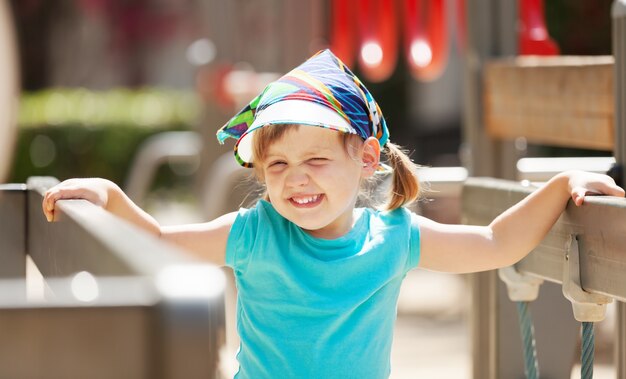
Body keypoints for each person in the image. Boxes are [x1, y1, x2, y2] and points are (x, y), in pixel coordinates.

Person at [42, 49, 624, 379]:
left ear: (366, 159)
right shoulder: (252, 234)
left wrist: (563, 184)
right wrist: (110, 195)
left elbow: (498, 242)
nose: (297, 177)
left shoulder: (395, 238)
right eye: (277, 165)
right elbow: (161, 240)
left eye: (317, 159)